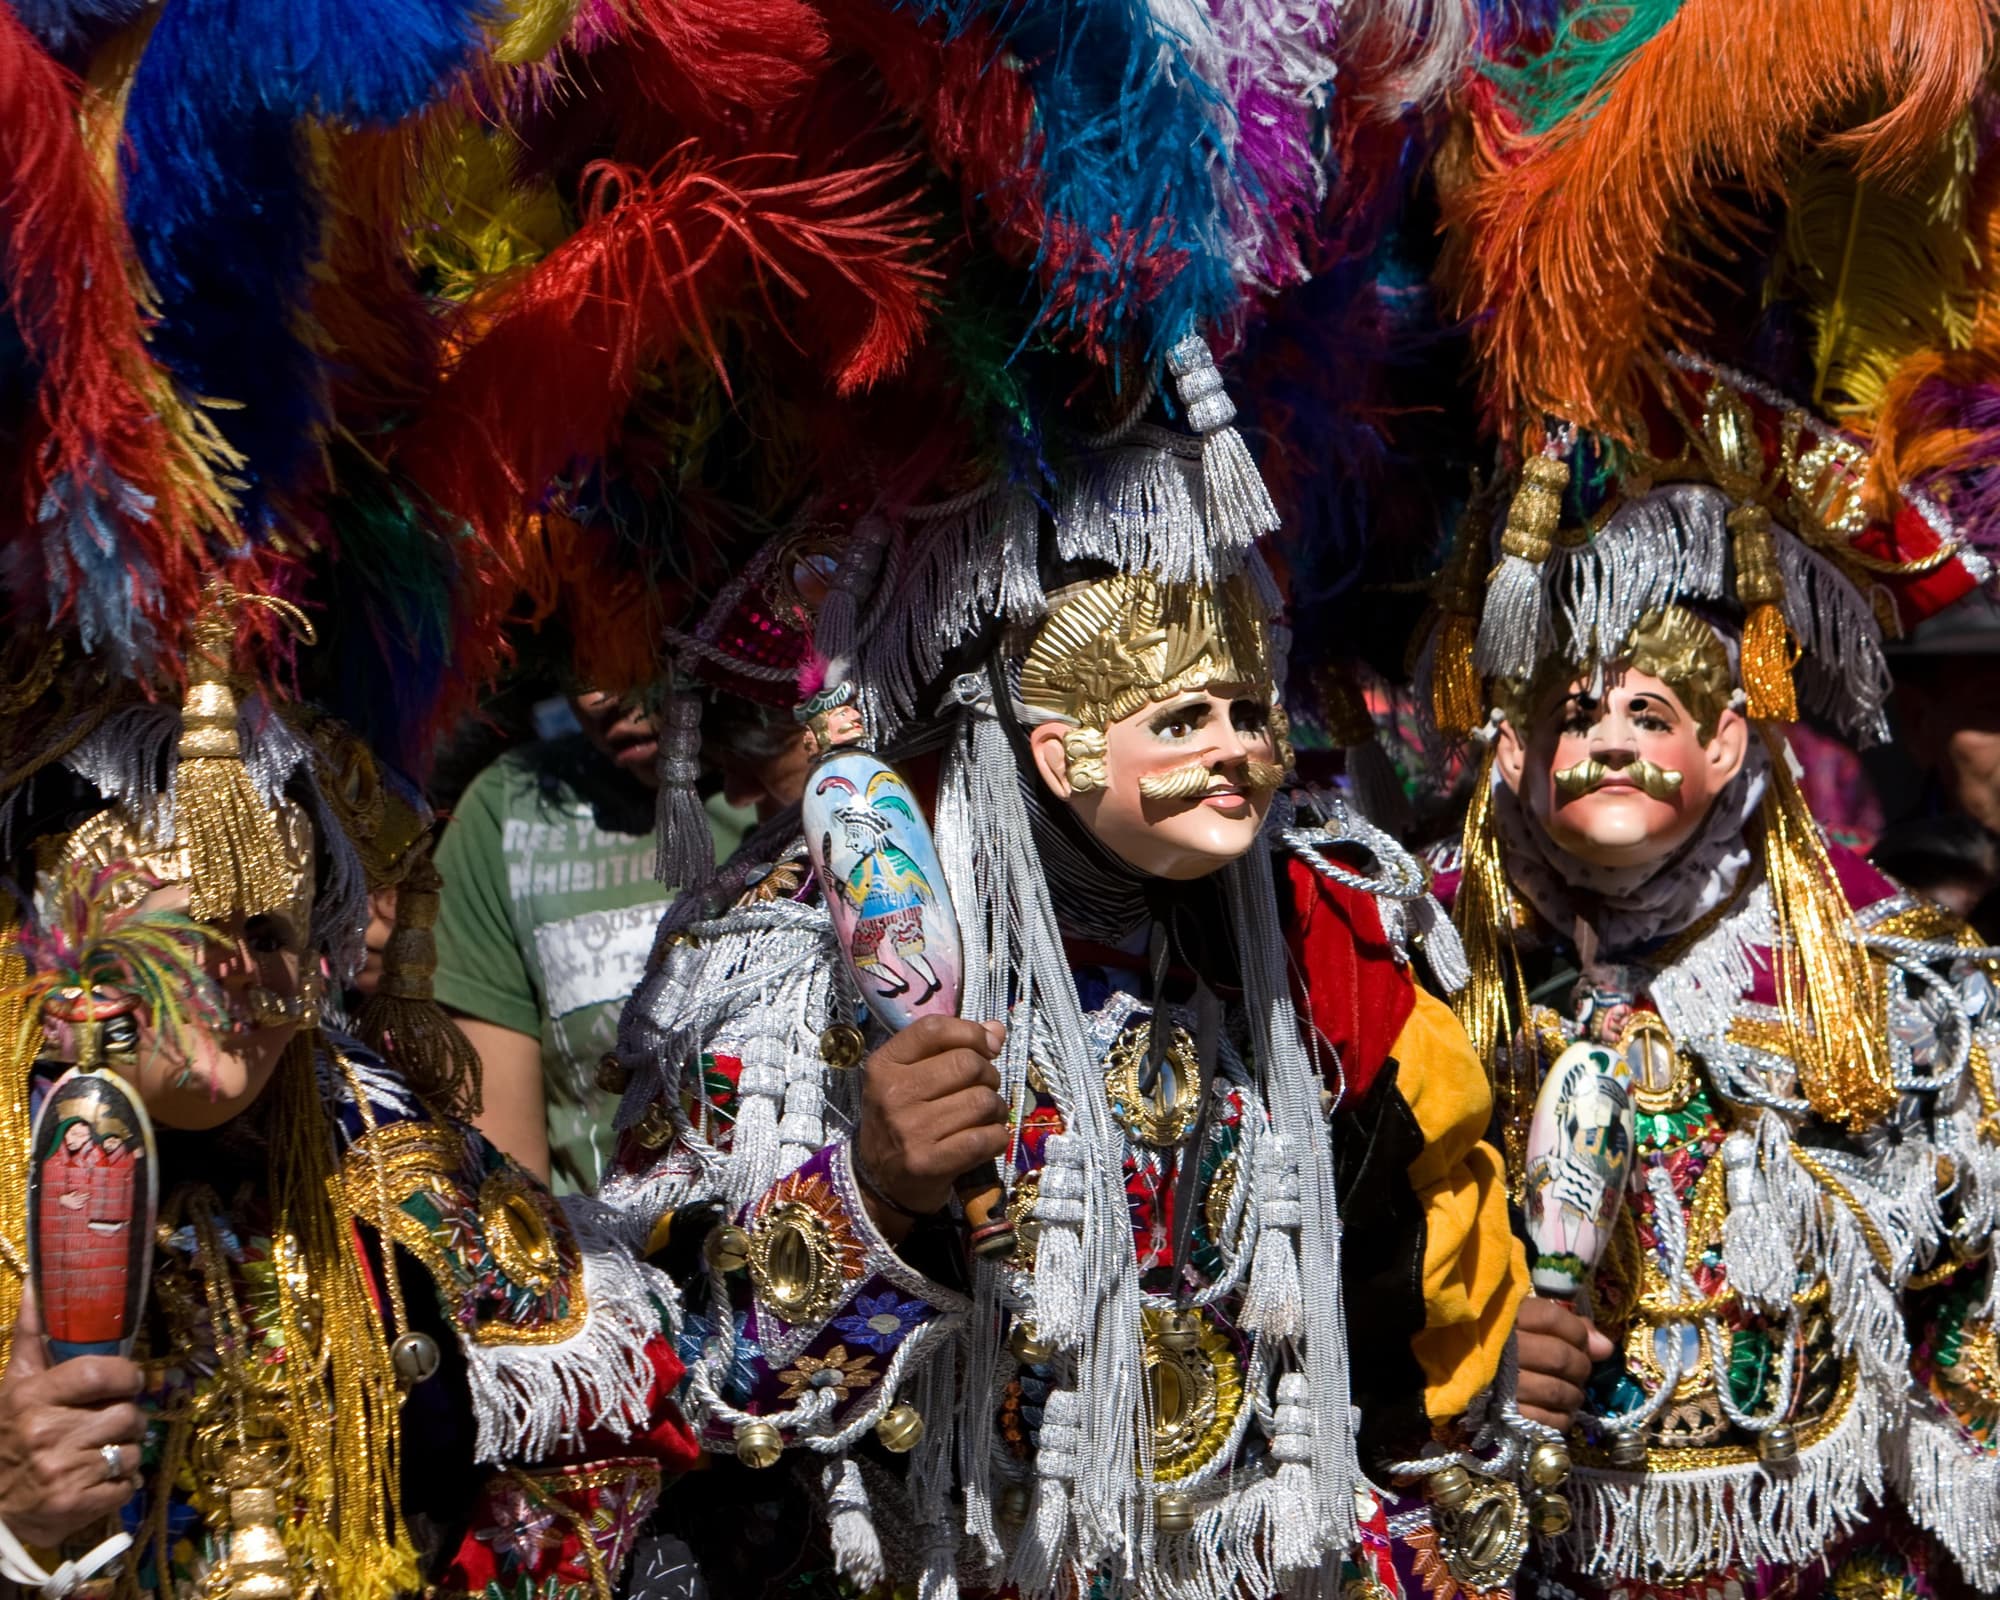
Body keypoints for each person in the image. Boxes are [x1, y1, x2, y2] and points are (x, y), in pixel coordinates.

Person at [602, 348, 1536, 1600]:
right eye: (1181, 719)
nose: (1238, 759)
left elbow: (1420, 1349)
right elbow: (691, 1386)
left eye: (1246, 714)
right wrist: (868, 1195)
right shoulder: (790, 963)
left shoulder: (1324, 940)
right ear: (1044, 741)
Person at [1418, 369, 2000, 1599]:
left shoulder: (1887, 975)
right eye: (1574, 713)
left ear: (1729, 739)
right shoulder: (1424, 963)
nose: (1612, 741)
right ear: (1511, 750)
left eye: (1651, 708)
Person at [0, 605, 700, 1600]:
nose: (238, 970)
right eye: (188, 929)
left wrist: (869, 1192)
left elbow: (603, 1458)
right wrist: (16, 1529)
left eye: (271, 930)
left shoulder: (393, 1162)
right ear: (62, 954)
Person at [433, 691, 752, 1192]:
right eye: (576, 662)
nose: (596, 696)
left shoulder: (846, 781)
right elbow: (508, 1195)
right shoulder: (510, 808)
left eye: (631, 651)